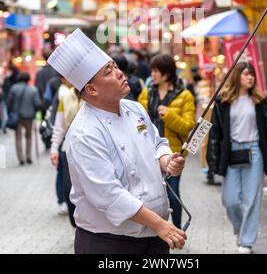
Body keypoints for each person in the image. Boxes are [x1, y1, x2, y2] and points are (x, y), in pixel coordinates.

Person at [48, 29, 187, 254]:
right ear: (91, 89)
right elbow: (108, 194)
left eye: (115, 66)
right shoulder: (85, 132)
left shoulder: (134, 108)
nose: (120, 73)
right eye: (108, 71)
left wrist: (165, 160)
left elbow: (157, 142)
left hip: (154, 236)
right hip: (109, 244)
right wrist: (160, 224)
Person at [207, 62, 267, 254]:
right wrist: (213, 161)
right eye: (246, 74)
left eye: (252, 75)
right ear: (237, 76)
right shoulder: (223, 102)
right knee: (229, 199)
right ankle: (241, 231)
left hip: (255, 150)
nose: (251, 78)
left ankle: (246, 241)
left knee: (252, 199)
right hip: (231, 152)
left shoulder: (260, 101)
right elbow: (215, 133)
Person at [138, 54, 195, 229]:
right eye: (152, 70)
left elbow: (188, 126)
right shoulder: (147, 93)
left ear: (167, 73)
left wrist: (169, 114)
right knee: (151, 195)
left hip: (173, 153)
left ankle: (177, 229)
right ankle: (158, 230)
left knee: (172, 193)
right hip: (149, 152)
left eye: (156, 71)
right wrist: (143, 132)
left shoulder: (184, 95)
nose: (152, 74)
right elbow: (138, 122)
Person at [50, 79, 81, 225]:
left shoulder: (94, 93)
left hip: (93, 149)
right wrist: (54, 148)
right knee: (70, 190)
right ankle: (75, 226)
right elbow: (59, 125)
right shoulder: (66, 96)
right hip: (68, 150)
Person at [7, 72, 42, 165]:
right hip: (29, 116)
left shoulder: (13, 88)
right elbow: (37, 104)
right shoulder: (33, 90)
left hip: (17, 116)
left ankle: (21, 158)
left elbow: (9, 103)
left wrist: (10, 113)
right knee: (28, 136)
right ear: (28, 79)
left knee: (18, 137)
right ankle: (28, 156)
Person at [35, 48, 59, 118]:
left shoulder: (40, 73)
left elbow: (38, 88)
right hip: (57, 103)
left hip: (44, 105)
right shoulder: (58, 71)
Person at [2, 62, 20, 132]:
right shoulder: (13, 80)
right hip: (9, 98)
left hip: (6, 97)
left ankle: (6, 125)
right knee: (6, 112)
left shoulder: (8, 79)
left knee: (5, 112)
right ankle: (6, 125)